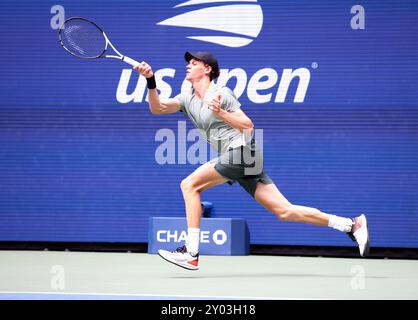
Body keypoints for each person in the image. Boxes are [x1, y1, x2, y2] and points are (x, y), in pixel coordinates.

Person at [134, 51, 370, 271]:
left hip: (243, 151)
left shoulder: (221, 94)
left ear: (207, 69)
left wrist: (222, 113)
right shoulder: (187, 98)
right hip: (240, 158)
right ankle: (350, 224)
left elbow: (248, 125)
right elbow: (158, 108)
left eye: (194, 63)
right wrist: (150, 81)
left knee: (189, 185)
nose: (188, 65)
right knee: (285, 211)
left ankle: (191, 252)